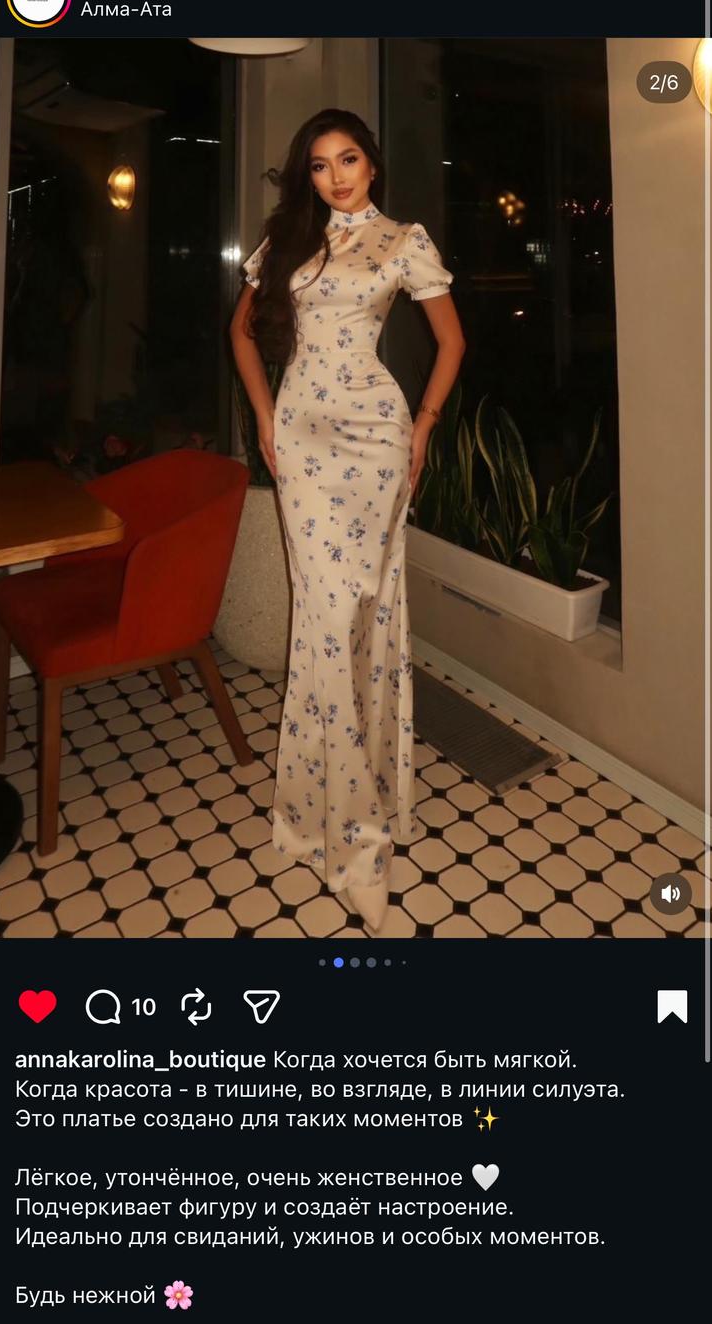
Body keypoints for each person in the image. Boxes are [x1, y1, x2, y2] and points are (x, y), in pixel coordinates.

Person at [230, 109, 465, 929]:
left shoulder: (403, 241)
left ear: (372, 165)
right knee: (326, 623)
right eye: (321, 164)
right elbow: (242, 333)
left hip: (376, 440)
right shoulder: (287, 240)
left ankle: (352, 816)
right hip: (302, 439)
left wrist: (423, 428)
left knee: (364, 617)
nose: (336, 176)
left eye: (350, 159)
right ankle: (336, 829)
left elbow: (452, 343)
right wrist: (266, 420)